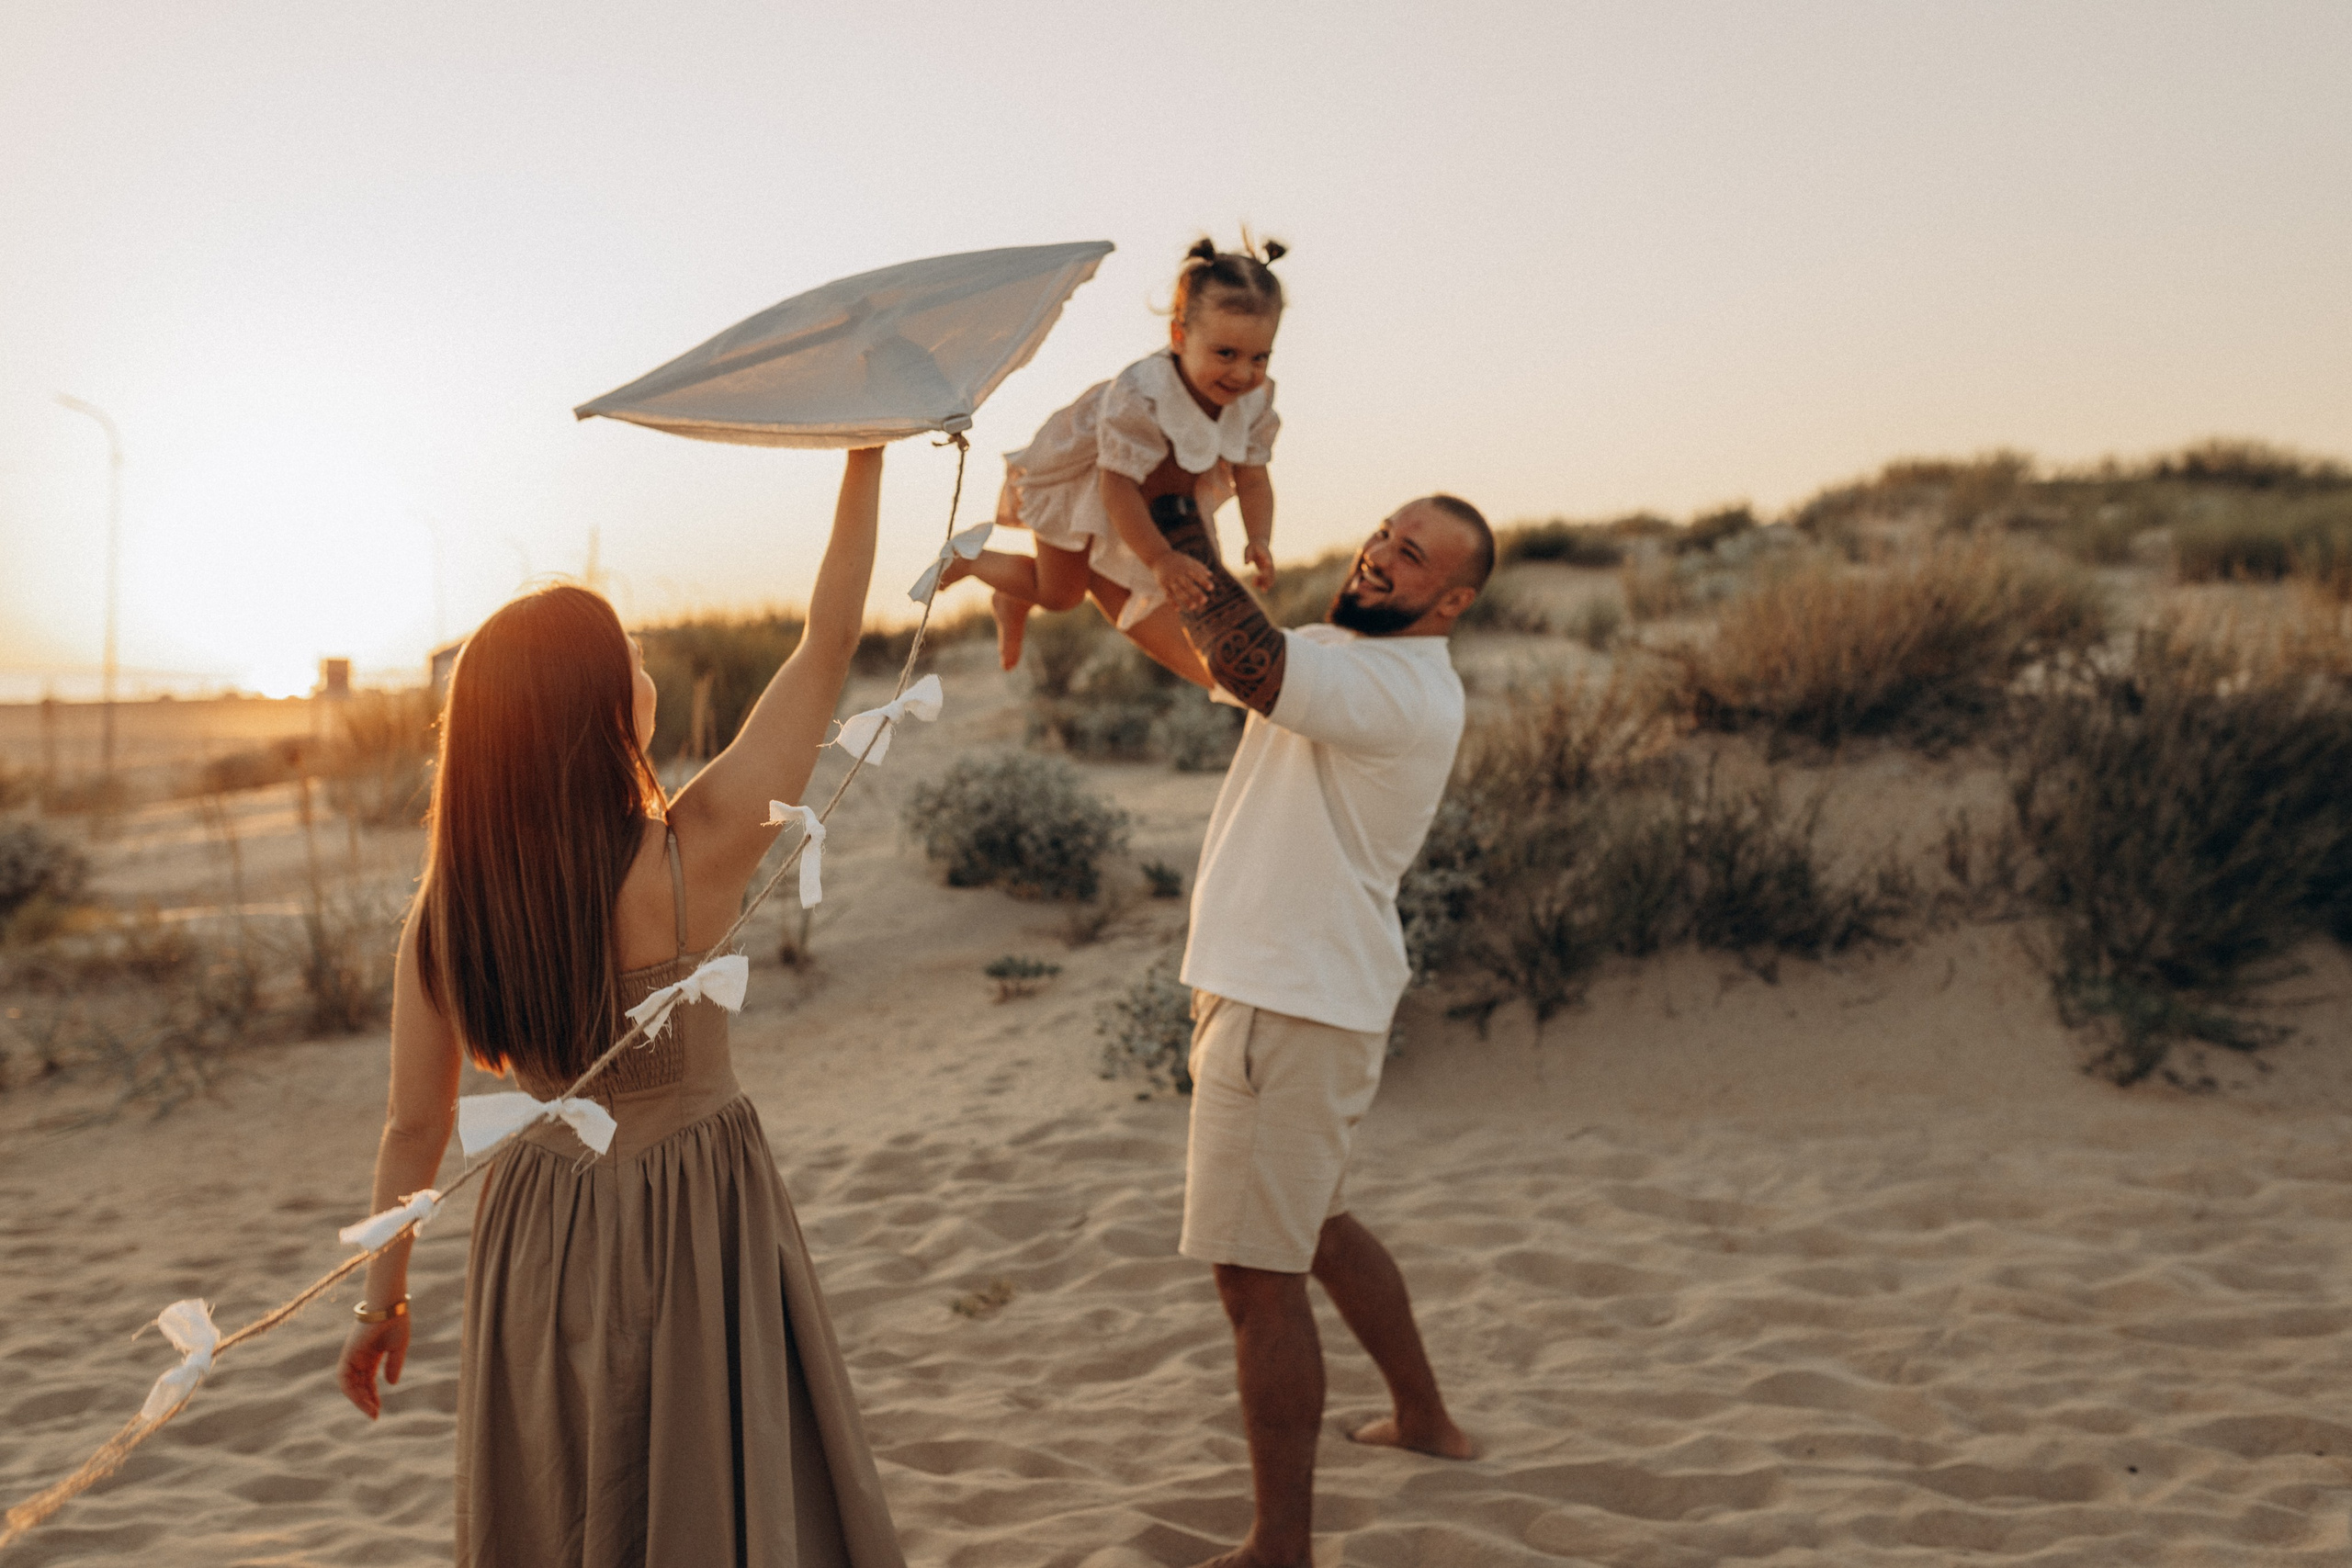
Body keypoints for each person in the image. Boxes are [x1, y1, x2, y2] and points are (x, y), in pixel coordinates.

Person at [335, 449, 904, 1568]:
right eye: (633, 660)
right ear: (602, 705)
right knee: (709, 1483)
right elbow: (828, 642)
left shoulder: (447, 911)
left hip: (541, 1226)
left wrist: (378, 1305)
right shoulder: (695, 853)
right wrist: (867, 452)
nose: (647, 673)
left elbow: (412, 1126)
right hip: (700, 1205)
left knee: (567, 1493)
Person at [1153, 491, 1492, 1568]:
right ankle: (1426, 1421)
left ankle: (1278, 1550)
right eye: (1384, 536)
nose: (1381, 557)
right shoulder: (1344, 660)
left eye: (1413, 556)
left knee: (1257, 1277)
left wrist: (1176, 515)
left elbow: (1249, 665)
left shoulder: (1392, 686)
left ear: (1455, 599)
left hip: (1284, 1006)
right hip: (1297, 999)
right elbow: (1210, 653)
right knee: (1320, 1229)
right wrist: (1117, 559)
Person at [944, 235, 1287, 680]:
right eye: (1226, 353)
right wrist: (1160, 559)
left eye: (1260, 357)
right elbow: (1116, 488)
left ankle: (1018, 591)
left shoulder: (1253, 398)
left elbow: (1254, 477)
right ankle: (974, 564)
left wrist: (1260, 537)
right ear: (1179, 337)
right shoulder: (1141, 396)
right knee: (1061, 594)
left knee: (1181, 576)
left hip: (1151, 486)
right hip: (1085, 476)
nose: (1244, 373)